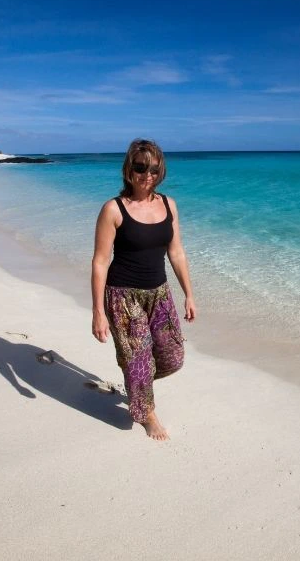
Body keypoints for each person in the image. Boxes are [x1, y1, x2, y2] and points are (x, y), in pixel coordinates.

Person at [91, 139, 196, 441]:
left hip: (159, 293)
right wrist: (98, 312)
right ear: (129, 169)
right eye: (140, 167)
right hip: (123, 295)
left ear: (160, 170)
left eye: (153, 168)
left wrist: (189, 294)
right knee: (139, 360)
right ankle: (146, 413)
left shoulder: (168, 204)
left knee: (172, 356)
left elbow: (176, 252)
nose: (146, 174)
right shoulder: (113, 209)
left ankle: (135, 377)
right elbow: (100, 261)